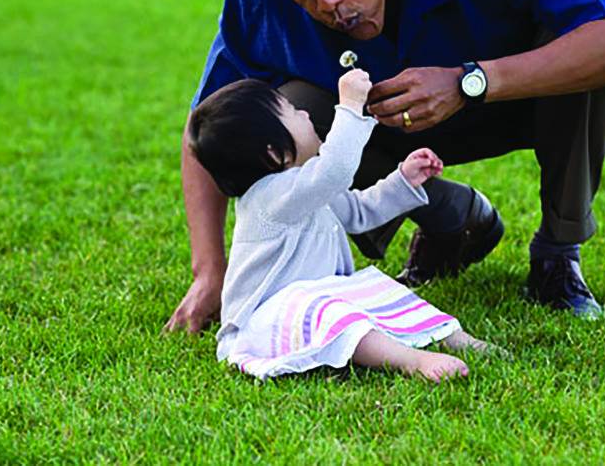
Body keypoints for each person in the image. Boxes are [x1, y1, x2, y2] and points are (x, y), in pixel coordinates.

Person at [167, 0, 605, 333]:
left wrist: (471, 82)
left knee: (592, 52)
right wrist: (210, 271)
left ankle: (558, 253)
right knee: (291, 109)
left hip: (514, 104)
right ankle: (453, 221)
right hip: (386, 136)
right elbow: (204, 129)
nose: (327, 2)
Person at [190, 68, 491, 381]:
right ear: (275, 153)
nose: (305, 113)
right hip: (268, 321)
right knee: (326, 308)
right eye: (292, 112)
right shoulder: (270, 197)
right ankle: (411, 359)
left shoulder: (303, 187)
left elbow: (359, 212)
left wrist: (403, 182)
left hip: (317, 303)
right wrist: (349, 106)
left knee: (379, 288)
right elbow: (337, 169)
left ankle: (456, 338)